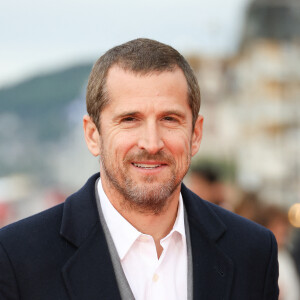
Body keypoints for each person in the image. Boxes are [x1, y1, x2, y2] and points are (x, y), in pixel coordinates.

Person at [0, 38, 278, 299]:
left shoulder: (252, 251)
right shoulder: (17, 257)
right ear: (93, 135)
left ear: (195, 134)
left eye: (169, 119)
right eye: (130, 119)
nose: (152, 143)